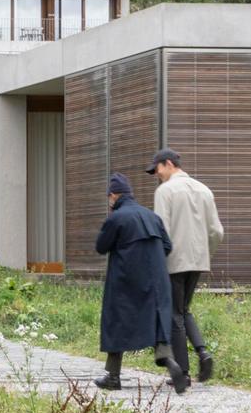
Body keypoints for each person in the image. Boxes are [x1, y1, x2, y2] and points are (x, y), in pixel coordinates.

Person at [150, 148, 224, 394]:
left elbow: (161, 230)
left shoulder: (165, 191)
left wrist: (158, 262)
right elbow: (217, 231)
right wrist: (205, 254)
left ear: (168, 164)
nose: (157, 175)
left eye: (157, 169)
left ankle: (182, 373)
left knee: (174, 315)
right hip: (198, 260)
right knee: (184, 310)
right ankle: (203, 352)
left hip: (173, 262)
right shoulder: (204, 190)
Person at [92, 173, 173, 391]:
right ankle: (168, 359)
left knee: (116, 319)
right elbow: (167, 246)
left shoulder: (116, 218)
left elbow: (101, 247)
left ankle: (113, 377)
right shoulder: (152, 216)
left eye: (109, 197)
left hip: (125, 278)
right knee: (156, 315)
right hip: (156, 279)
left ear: (113, 195)